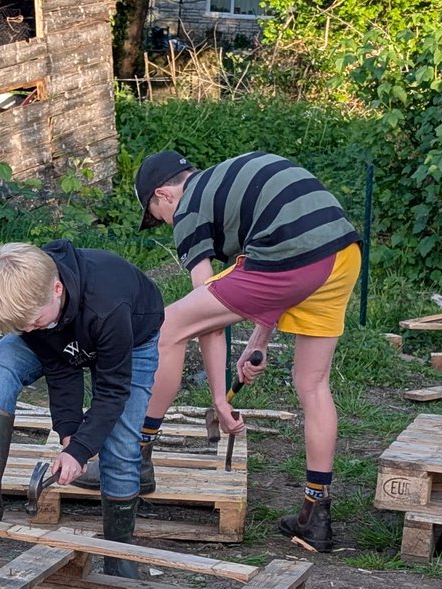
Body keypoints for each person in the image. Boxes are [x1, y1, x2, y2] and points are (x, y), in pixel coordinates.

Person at [134, 150, 362, 552]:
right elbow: (267, 263)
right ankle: (315, 515)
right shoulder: (226, 185)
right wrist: (258, 343)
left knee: (167, 328)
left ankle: (136, 456)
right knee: (312, 383)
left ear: (163, 195)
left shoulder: (188, 206)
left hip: (293, 254)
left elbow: (207, 311)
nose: (166, 224)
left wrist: (220, 401)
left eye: (157, 216)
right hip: (343, 253)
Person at [0, 240, 164, 576]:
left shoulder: (108, 304)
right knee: (0, 361)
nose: (29, 330)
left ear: (57, 289)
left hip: (130, 339)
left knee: (120, 446)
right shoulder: (34, 308)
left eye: (33, 322)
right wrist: (69, 434)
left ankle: (119, 558)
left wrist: (82, 450)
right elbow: (61, 366)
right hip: (67, 328)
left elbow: (112, 391)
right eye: (23, 327)